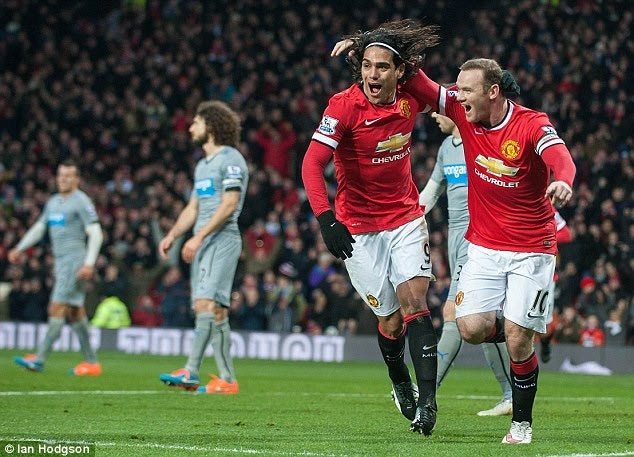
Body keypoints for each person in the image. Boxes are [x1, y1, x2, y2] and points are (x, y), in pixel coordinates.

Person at [402, 53, 576, 443]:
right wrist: (386, 49)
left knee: (516, 338)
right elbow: (422, 85)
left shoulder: (531, 124)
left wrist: (563, 180)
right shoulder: (462, 116)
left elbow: (560, 157)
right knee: (470, 327)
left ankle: (521, 422)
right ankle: (522, 328)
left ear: (493, 91)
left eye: (467, 90)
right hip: (483, 247)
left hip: (532, 249)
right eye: (457, 90)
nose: (458, 97)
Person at [304, 20, 441, 435]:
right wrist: (326, 219)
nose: (372, 75)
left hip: (404, 218)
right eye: (366, 65)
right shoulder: (343, 107)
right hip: (358, 228)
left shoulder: (411, 97)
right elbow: (311, 164)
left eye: (382, 66)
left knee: (415, 303)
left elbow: (444, 98)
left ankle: (428, 404)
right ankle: (399, 379)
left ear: (399, 71)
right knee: (392, 321)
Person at [419, 112, 512, 417]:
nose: (434, 115)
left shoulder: (480, 140)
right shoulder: (447, 147)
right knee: (482, 317)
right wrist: (406, 218)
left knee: (452, 311)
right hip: (456, 238)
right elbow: (432, 191)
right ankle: (511, 394)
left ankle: (425, 390)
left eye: (439, 110)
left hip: (478, 235)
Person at [158, 100, 248, 395]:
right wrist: (173, 235)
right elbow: (193, 207)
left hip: (222, 239)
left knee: (205, 305)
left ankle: (191, 369)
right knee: (216, 311)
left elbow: (230, 204)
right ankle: (227, 379)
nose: (190, 128)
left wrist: (198, 238)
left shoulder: (231, 158)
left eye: (195, 122)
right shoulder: (202, 166)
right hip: (203, 242)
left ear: (210, 125)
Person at [11, 160, 104, 376]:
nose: (63, 179)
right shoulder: (53, 202)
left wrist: (89, 263)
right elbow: (40, 228)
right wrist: (20, 248)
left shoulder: (81, 201)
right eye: (60, 175)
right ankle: (91, 363)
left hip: (74, 262)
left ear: (77, 179)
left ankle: (39, 358)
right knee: (75, 311)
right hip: (61, 262)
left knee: (56, 307)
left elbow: (96, 233)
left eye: (68, 176)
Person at [539, 209, 572, 362]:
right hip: (518, 271)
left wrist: (542, 240)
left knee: (545, 324)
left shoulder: (549, 208)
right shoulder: (514, 206)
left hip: (546, 276)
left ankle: (545, 343)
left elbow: (566, 234)